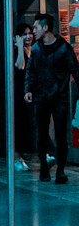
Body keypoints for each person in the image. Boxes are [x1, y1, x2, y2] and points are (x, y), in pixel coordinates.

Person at [24, 13, 79, 184]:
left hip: (60, 98)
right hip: (41, 97)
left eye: (36, 27)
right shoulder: (36, 49)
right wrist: (28, 89)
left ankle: (60, 171)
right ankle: (44, 167)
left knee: (61, 136)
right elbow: (30, 71)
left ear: (45, 27)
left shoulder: (64, 48)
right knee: (41, 134)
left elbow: (75, 70)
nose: (33, 31)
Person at [13, 22, 35, 169]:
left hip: (31, 93)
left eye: (30, 33)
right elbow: (20, 66)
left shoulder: (33, 49)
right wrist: (20, 47)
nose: (28, 36)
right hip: (19, 93)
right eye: (25, 34)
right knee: (20, 125)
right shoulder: (17, 50)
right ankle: (17, 158)